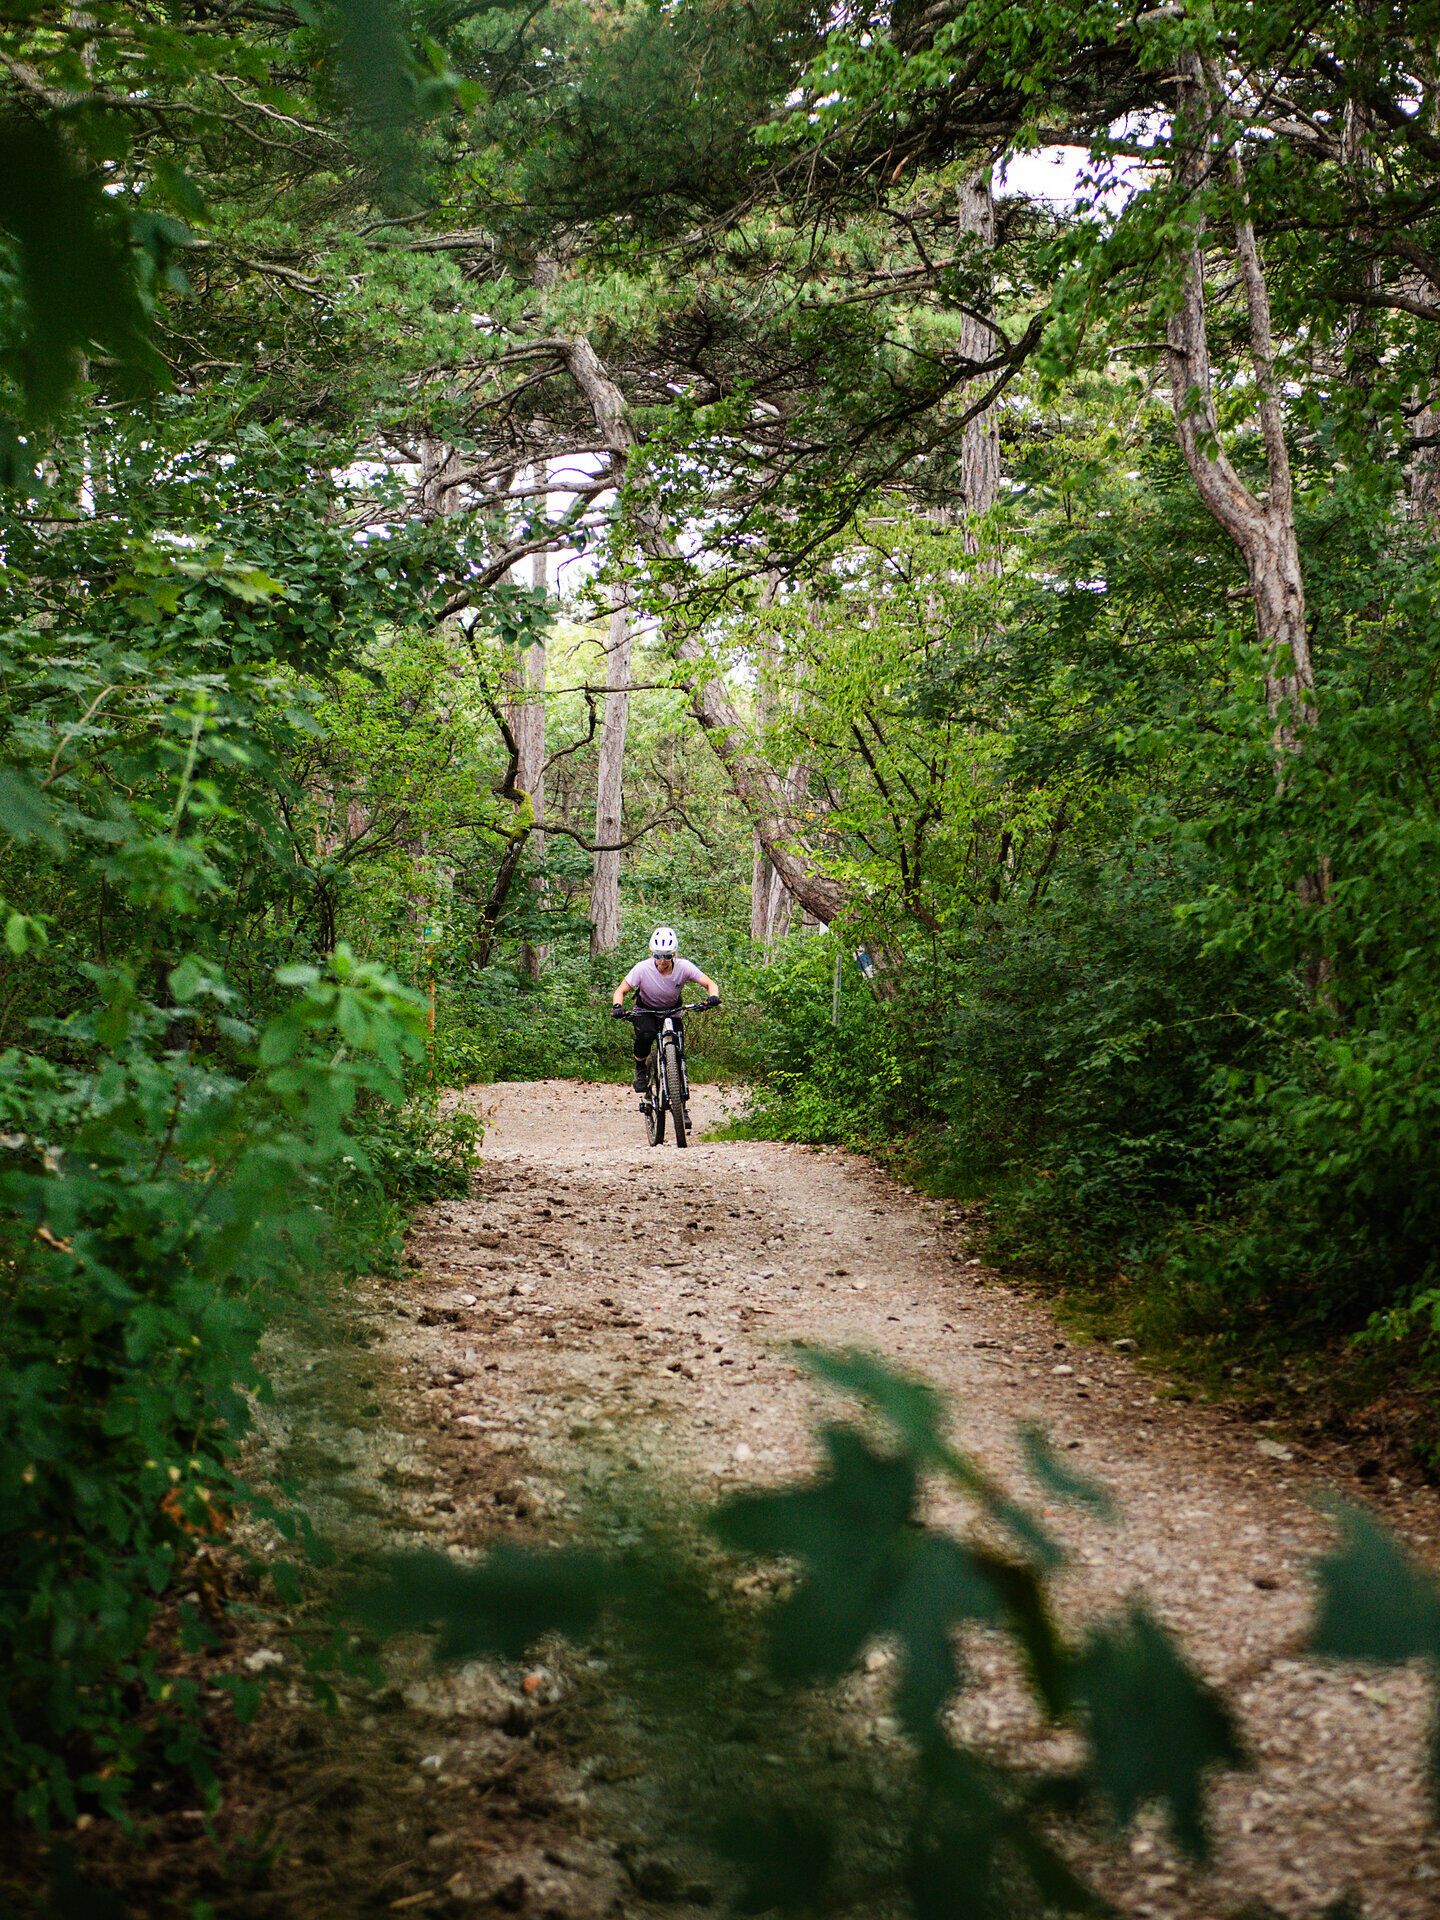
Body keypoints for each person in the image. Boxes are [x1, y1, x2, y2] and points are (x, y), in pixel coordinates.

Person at [611, 926, 720, 1092]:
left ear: (674, 954)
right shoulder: (642, 968)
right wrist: (618, 1006)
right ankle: (641, 1067)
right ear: (652, 954)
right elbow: (621, 990)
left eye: (667, 956)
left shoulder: (684, 967)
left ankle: (680, 1097)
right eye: (658, 956)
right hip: (646, 1010)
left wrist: (713, 997)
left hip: (672, 1011)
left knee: (678, 1048)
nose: (662, 960)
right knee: (645, 1036)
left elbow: (709, 983)